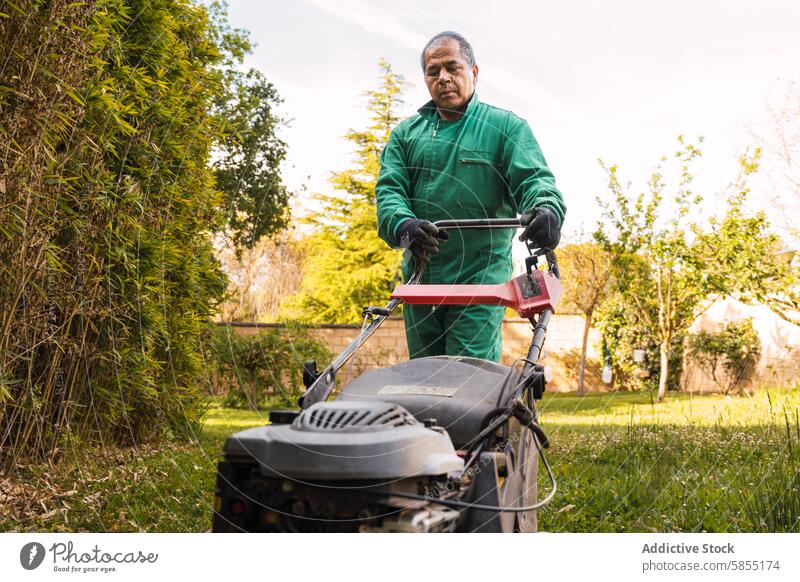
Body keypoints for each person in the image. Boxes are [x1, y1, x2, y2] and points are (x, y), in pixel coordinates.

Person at [376, 31, 566, 362]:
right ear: (425, 79)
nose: (443, 78)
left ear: (473, 72)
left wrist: (546, 209)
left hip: (481, 276)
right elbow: (389, 191)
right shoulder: (405, 135)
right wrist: (403, 224)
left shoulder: (505, 127)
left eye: (452, 67)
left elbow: (534, 179)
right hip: (422, 275)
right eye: (433, 72)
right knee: (422, 374)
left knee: (467, 372)